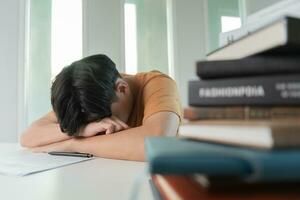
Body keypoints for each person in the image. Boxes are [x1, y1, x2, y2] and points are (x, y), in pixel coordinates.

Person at [21, 54, 182, 161]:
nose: (102, 127)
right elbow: (28, 137)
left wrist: (73, 144)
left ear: (122, 88)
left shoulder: (156, 84)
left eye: (103, 119)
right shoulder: (80, 96)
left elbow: (158, 144)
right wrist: (82, 129)